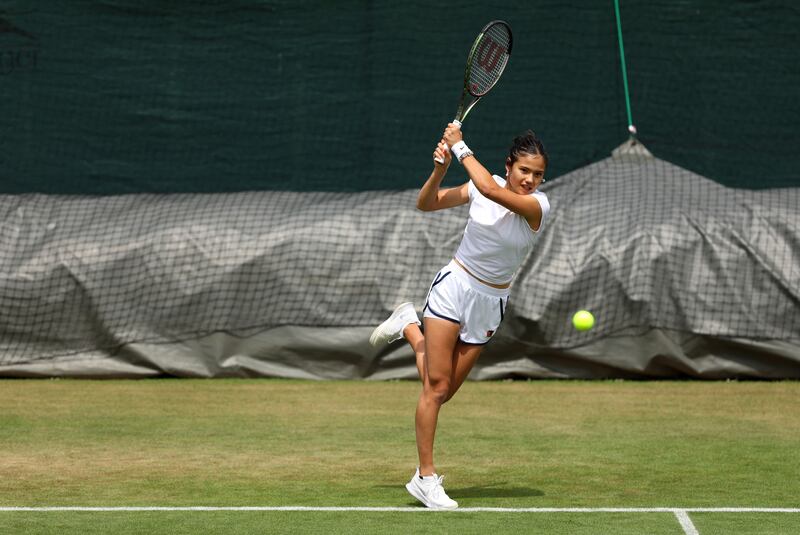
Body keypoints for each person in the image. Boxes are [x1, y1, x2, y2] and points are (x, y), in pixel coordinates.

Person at [370, 123, 551, 510]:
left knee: (444, 390)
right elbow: (427, 203)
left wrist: (459, 146)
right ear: (509, 166)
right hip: (455, 287)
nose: (530, 180)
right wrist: (439, 169)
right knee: (434, 388)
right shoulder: (478, 187)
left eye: (537, 174)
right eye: (524, 171)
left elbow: (489, 189)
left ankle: (407, 326)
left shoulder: (538, 206)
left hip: (490, 303)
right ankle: (425, 478)